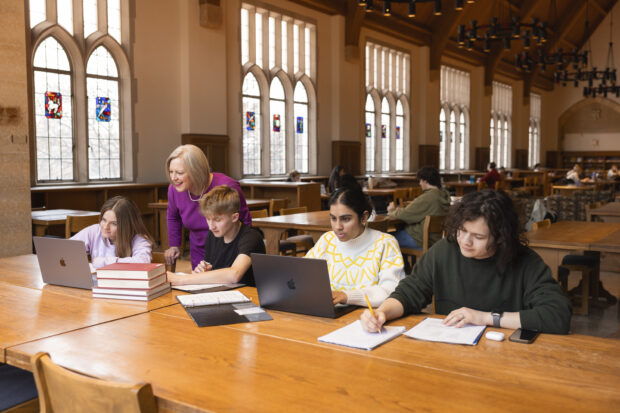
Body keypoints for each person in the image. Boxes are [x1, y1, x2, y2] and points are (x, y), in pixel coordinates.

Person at [360, 189, 572, 335]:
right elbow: (409, 292)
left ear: (500, 237)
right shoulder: (445, 251)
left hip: (507, 356)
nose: (465, 241)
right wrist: (382, 313)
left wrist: (485, 318)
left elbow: (557, 316)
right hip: (451, 354)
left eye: (478, 237)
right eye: (462, 231)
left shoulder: (525, 262)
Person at [305, 186, 405, 307]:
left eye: (345, 219)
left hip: (366, 316)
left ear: (363, 217)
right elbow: (302, 274)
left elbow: (392, 291)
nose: (337, 227)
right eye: (333, 218)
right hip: (327, 314)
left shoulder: (385, 243)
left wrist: (347, 296)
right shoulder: (327, 239)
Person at [165, 144, 252, 270]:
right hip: (199, 253)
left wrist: (241, 256)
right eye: (171, 172)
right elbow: (173, 217)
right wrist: (174, 245)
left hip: (230, 252)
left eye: (179, 173)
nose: (173, 178)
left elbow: (245, 223)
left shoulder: (227, 186)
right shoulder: (174, 190)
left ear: (196, 170)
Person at [168, 185, 265, 286]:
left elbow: (234, 275)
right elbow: (212, 270)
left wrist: (182, 279)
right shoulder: (213, 235)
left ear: (234, 217)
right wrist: (205, 272)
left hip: (251, 297)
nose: (211, 226)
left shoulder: (251, 237)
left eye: (217, 220)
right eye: (208, 219)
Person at [71, 196, 153, 269]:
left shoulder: (140, 239)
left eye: (113, 223)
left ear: (126, 226)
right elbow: (67, 248)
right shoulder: (94, 231)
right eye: (104, 220)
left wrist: (104, 262)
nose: (105, 227)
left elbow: (143, 262)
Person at [387, 166, 450, 250]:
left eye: (420, 180)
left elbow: (405, 215)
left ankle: (402, 263)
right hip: (435, 239)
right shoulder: (444, 195)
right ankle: (406, 263)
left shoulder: (428, 197)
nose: (420, 183)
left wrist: (391, 210)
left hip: (419, 239)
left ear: (425, 181)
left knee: (384, 239)